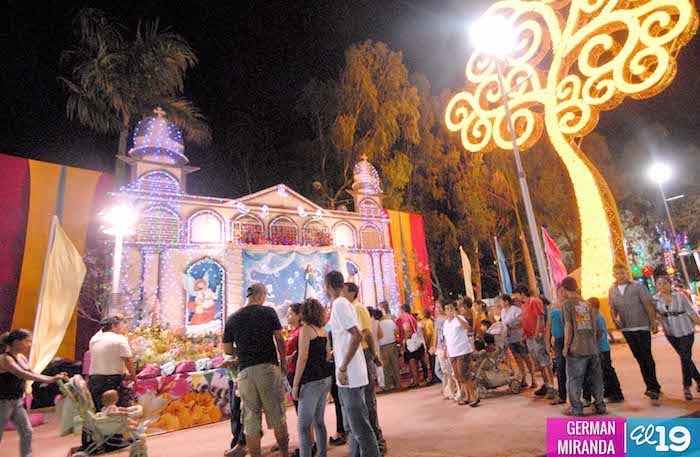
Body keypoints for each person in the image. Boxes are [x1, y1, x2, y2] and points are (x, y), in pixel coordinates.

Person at [223, 283, 289, 457]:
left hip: (245, 373)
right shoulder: (268, 312)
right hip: (268, 369)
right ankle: (284, 453)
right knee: (277, 417)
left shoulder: (232, 318)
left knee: (250, 421)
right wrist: (283, 362)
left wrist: (244, 351)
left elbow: (227, 350)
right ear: (261, 296)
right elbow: (279, 339)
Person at [325, 271, 380, 457]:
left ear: (328, 287)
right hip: (350, 373)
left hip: (350, 374)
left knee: (360, 427)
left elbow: (357, 335)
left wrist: (343, 367)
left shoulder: (340, 304)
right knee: (353, 427)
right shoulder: (343, 304)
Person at [0, 329, 67, 457]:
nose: (29, 344)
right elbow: (22, 374)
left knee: (27, 431)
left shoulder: (21, 357)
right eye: (27, 341)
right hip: (3, 402)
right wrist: (51, 379)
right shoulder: (5, 359)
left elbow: (32, 373)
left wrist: (54, 377)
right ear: (16, 342)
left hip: (16, 401)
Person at [342, 282, 386, 455]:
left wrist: (374, 355)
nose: (342, 295)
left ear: (353, 293)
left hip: (363, 353)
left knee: (367, 400)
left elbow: (366, 333)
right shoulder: (350, 308)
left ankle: (378, 442)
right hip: (359, 355)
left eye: (344, 291)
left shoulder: (357, 308)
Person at [608, 263, 661, 400]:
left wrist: (653, 322)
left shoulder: (638, 286)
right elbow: (612, 307)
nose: (620, 276)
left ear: (627, 273)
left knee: (646, 356)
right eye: (617, 273)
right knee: (639, 357)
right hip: (627, 328)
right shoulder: (612, 290)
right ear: (614, 275)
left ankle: (653, 386)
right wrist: (614, 319)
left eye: (622, 273)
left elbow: (648, 304)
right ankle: (650, 385)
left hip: (641, 326)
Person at [291, 299, 333, 457]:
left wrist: (296, 384)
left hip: (311, 380)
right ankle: (322, 454)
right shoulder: (323, 331)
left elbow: (302, 358)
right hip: (325, 378)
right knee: (319, 421)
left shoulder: (306, 330)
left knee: (303, 425)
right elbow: (327, 354)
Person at [561, 277, 606, 416]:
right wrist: (594, 343)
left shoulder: (567, 304)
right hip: (592, 348)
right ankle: (600, 405)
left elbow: (568, 326)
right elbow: (594, 326)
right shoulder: (587, 304)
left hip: (577, 348)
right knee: (596, 379)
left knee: (575, 379)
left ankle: (576, 408)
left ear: (564, 289)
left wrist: (566, 346)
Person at [652, 275, 700, 400]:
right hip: (671, 332)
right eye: (659, 284)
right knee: (686, 358)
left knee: (684, 356)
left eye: (664, 283)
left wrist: (698, 322)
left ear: (670, 284)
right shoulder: (655, 300)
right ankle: (698, 379)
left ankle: (686, 386)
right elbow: (655, 316)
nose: (662, 286)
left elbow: (690, 311)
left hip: (686, 330)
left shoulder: (680, 296)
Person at [513, 284, 556, 399]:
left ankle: (551, 386)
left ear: (522, 293)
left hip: (536, 335)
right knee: (537, 361)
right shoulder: (525, 305)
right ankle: (546, 384)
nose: (517, 298)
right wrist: (523, 336)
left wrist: (537, 332)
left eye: (517, 295)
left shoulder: (534, 302)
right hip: (529, 336)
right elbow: (525, 321)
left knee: (544, 361)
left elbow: (539, 317)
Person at [88, 314, 136, 411]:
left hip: (94, 379)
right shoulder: (119, 339)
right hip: (111, 380)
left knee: (99, 410)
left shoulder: (94, 339)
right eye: (118, 326)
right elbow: (128, 359)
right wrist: (133, 376)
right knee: (114, 411)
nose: (120, 329)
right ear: (113, 326)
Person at [583, 298, 624, 405]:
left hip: (602, 348)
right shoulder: (594, 316)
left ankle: (616, 393)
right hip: (599, 348)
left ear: (593, 306)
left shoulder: (598, 317)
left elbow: (600, 332)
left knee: (607, 371)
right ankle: (609, 392)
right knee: (603, 372)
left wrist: (591, 341)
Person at [443, 302, 479, 407]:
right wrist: (445, 349)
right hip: (452, 352)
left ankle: (473, 396)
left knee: (464, 374)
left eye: (451, 308)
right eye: (447, 309)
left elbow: (467, 327)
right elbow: (446, 337)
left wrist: (457, 316)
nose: (449, 311)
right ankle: (466, 396)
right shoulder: (446, 323)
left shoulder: (459, 319)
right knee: (458, 376)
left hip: (462, 351)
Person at [497, 294, 537, 388]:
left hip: (519, 336)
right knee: (517, 358)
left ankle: (533, 378)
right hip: (510, 338)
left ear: (506, 302)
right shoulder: (503, 311)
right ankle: (523, 377)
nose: (500, 303)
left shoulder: (515, 310)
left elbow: (522, 321)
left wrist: (513, 326)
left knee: (526, 357)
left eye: (501, 301)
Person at [431, 301, 459, 400]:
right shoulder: (436, 319)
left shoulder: (448, 319)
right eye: (436, 307)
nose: (437, 309)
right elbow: (436, 333)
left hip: (448, 346)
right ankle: (447, 387)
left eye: (439, 307)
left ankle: (451, 388)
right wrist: (434, 345)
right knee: (440, 370)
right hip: (440, 347)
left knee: (449, 369)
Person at [546, 285, 568, 405]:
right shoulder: (552, 307)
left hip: (570, 339)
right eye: (561, 291)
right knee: (560, 367)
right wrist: (547, 341)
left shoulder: (569, 305)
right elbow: (549, 325)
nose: (562, 293)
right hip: (558, 341)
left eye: (564, 291)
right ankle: (562, 395)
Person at [397, 304, 424, 388]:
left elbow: (407, 329)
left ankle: (415, 380)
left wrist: (404, 341)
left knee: (412, 362)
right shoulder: (411, 317)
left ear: (402, 310)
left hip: (410, 343)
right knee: (415, 362)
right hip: (416, 341)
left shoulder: (405, 318)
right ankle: (416, 379)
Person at [377, 306, 401, 391]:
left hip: (383, 346)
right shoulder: (390, 321)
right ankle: (398, 384)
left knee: (386, 366)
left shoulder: (378, 324)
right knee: (395, 365)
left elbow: (378, 336)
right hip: (392, 344)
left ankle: (388, 385)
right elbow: (397, 331)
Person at [421, 309, 440, 385]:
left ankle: (435, 378)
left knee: (433, 362)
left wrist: (427, 344)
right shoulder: (429, 321)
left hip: (431, 345)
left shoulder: (428, 323)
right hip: (432, 344)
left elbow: (428, 335)